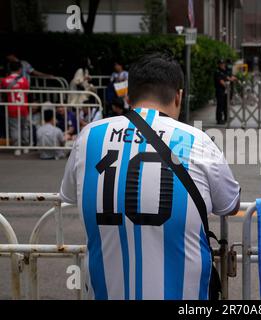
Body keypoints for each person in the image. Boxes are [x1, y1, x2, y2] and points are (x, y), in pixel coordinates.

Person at [59, 53, 241, 300]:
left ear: (129, 95)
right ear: (179, 96)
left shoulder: (89, 136)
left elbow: (69, 194)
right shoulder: (198, 141)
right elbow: (229, 205)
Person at [0, 61, 30, 156]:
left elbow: (3, 93)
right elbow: (27, 92)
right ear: (20, 69)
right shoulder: (24, 80)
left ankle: (17, 148)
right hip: (23, 107)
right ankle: (25, 146)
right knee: (24, 127)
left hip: (11, 107)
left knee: (14, 128)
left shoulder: (5, 80)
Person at [214, 59, 234, 125]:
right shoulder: (217, 72)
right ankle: (219, 119)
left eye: (223, 64)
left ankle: (226, 118)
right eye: (221, 64)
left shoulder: (224, 71)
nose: (223, 65)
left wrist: (232, 79)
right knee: (220, 105)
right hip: (220, 91)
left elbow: (228, 78)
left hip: (225, 91)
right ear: (219, 65)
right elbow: (221, 81)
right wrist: (227, 85)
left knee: (225, 105)